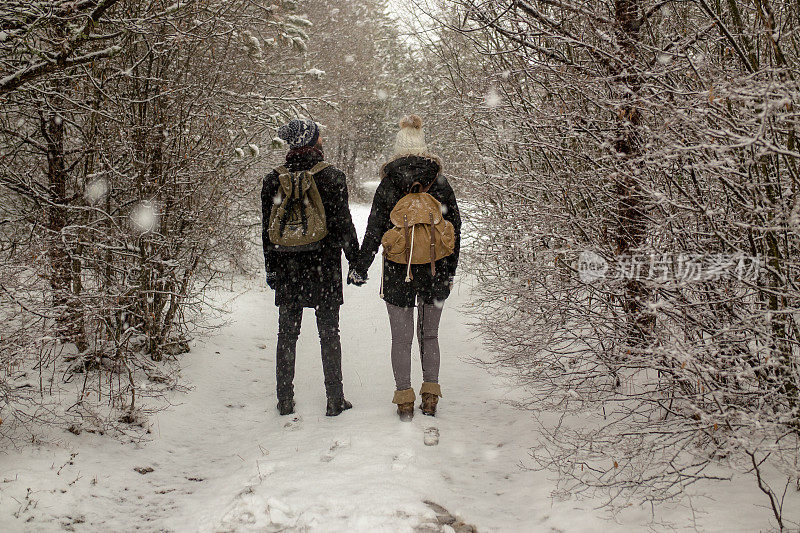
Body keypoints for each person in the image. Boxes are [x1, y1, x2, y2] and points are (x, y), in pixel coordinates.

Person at [349, 115, 461, 421]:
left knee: (401, 339)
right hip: (436, 268)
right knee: (430, 336)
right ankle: (430, 395)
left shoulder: (389, 182)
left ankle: (404, 399)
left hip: (399, 269)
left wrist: (361, 266)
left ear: (397, 150)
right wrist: (449, 272)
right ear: (424, 148)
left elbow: (373, 230)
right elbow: (455, 228)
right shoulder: (439, 181)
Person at [262, 118, 360, 417]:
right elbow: (344, 224)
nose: (322, 141)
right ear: (312, 141)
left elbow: (266, 231)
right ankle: (334, 398)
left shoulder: (273, 179)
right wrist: (355, 262)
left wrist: (272, 269)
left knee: (286, 334)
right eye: (319, 137)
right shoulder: (332, 176)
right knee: (329, 333)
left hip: (288, 264)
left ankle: (285, 400)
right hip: (324, 264)